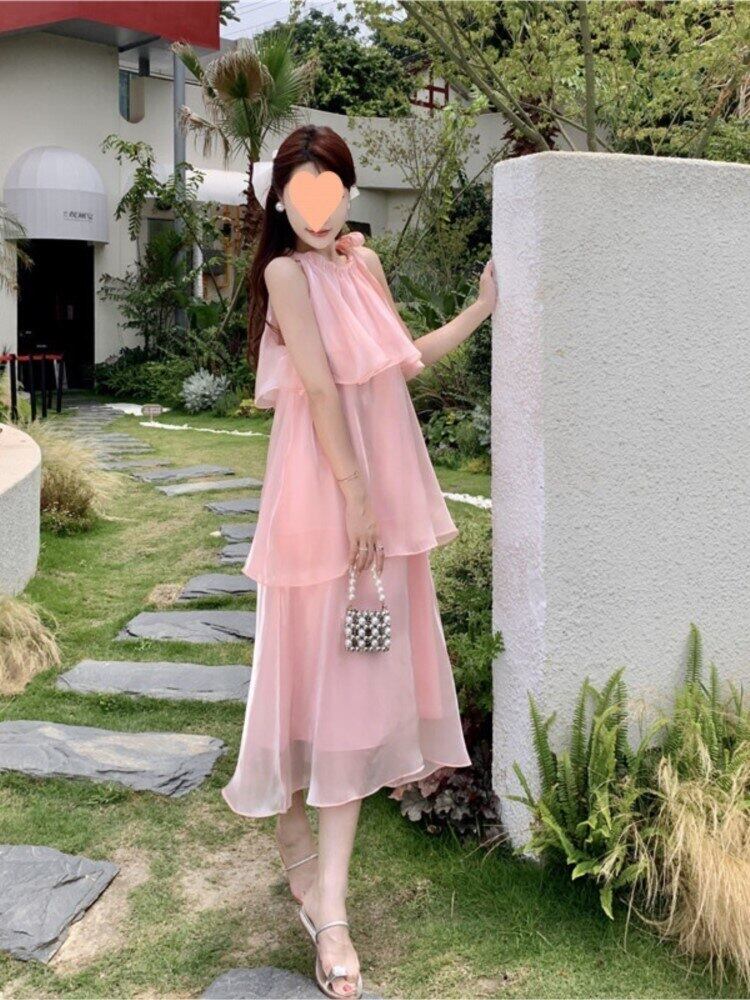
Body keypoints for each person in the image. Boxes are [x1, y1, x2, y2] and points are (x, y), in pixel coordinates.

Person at [221, 124, 497, 999]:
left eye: (331, 191)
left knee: (352, 684)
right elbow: (318, 388)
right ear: (279, 200)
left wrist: (483, 309)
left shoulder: (361, 266)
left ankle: (328, 903)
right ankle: (299, 847)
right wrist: (356, 498)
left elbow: (401, 363)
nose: (318, 210)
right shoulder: (286, 275)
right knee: (308, 668)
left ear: (348, 194)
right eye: (301, 194)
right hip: (326, 496)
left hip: (377, 499)